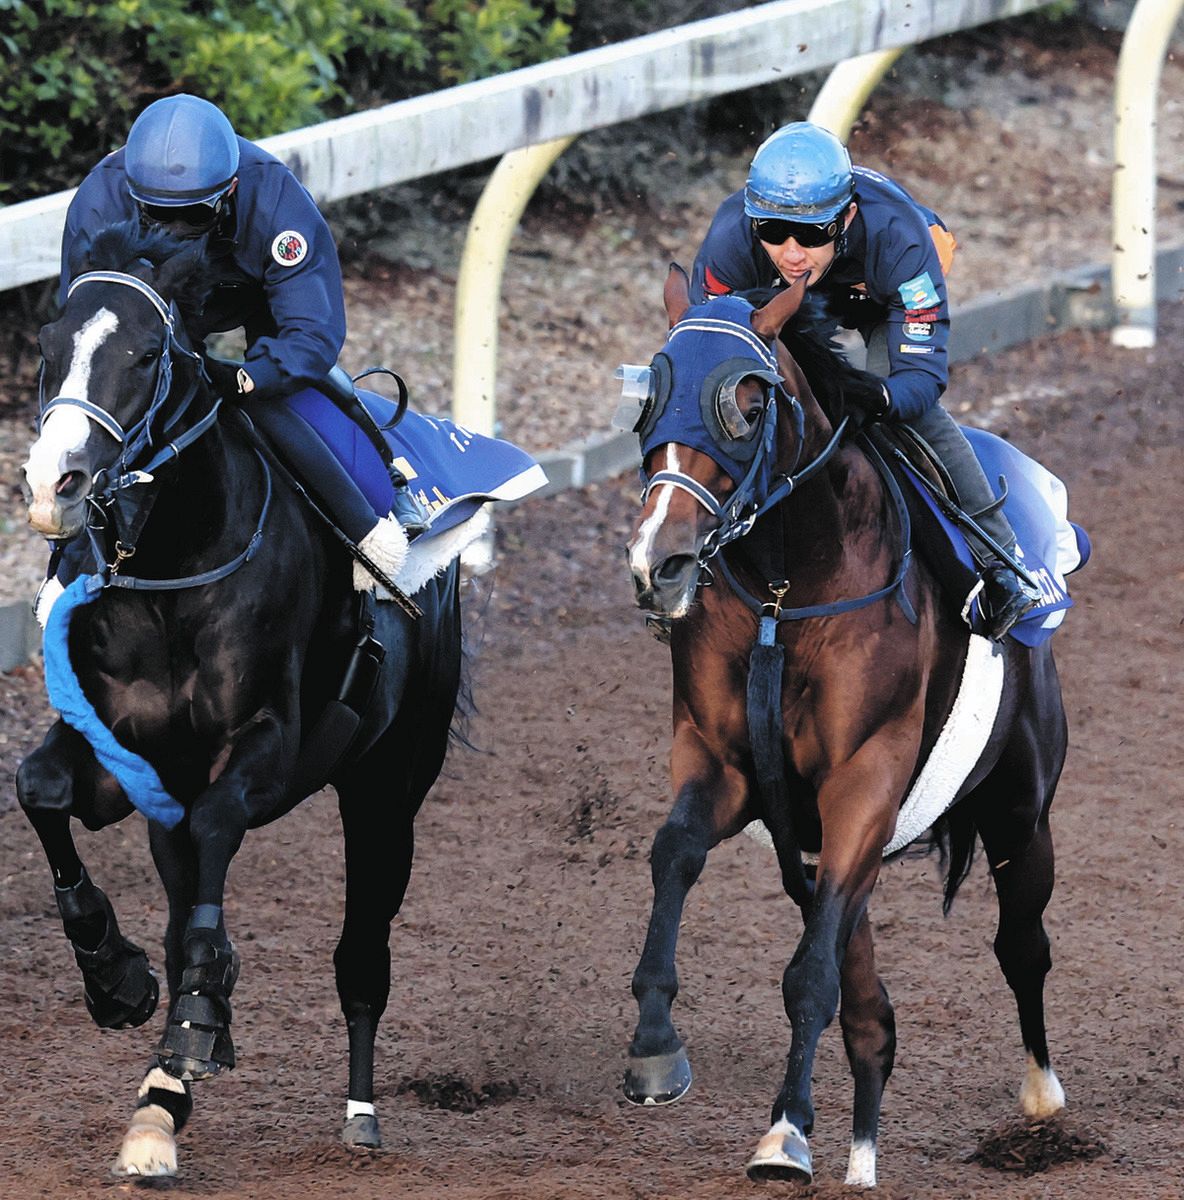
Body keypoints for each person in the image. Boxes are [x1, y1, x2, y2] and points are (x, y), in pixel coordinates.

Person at [55, 93, 424, 597]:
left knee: (279, 399)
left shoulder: (274, 200)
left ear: (230, 189)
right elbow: (82, 330)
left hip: (251, 299)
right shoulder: (100, 202)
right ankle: (65, 569)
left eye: (194, 216)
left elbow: (313, 333)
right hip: (145, 307)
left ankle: (372, 528)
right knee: (97, 417)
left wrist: (250, 378)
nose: (176, 232)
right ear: (132, 194)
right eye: (156, 216)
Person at [689, 121, 1042, 641]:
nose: (790, 253)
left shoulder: (901, 240)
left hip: (879, 296)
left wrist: (875, 395)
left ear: (847, 217)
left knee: (904, 415)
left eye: (810, 234)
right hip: (780, 301)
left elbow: (920, 379)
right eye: (772, 231)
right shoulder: (728, 246)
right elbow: (707, 363)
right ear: (751, 221)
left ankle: (1001, 560)